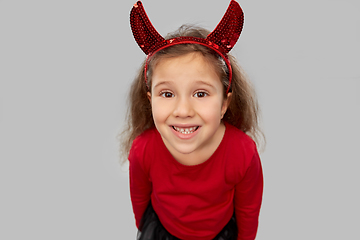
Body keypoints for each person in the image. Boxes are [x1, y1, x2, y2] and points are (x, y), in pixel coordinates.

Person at [120, 1, 264, 239]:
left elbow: (248, 212)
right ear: (150, 100)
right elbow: (140, 202)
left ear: (224, 104)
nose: (183, 110)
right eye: (167, 94)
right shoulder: (143, 149)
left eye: (200, 94)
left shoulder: (243, 152)